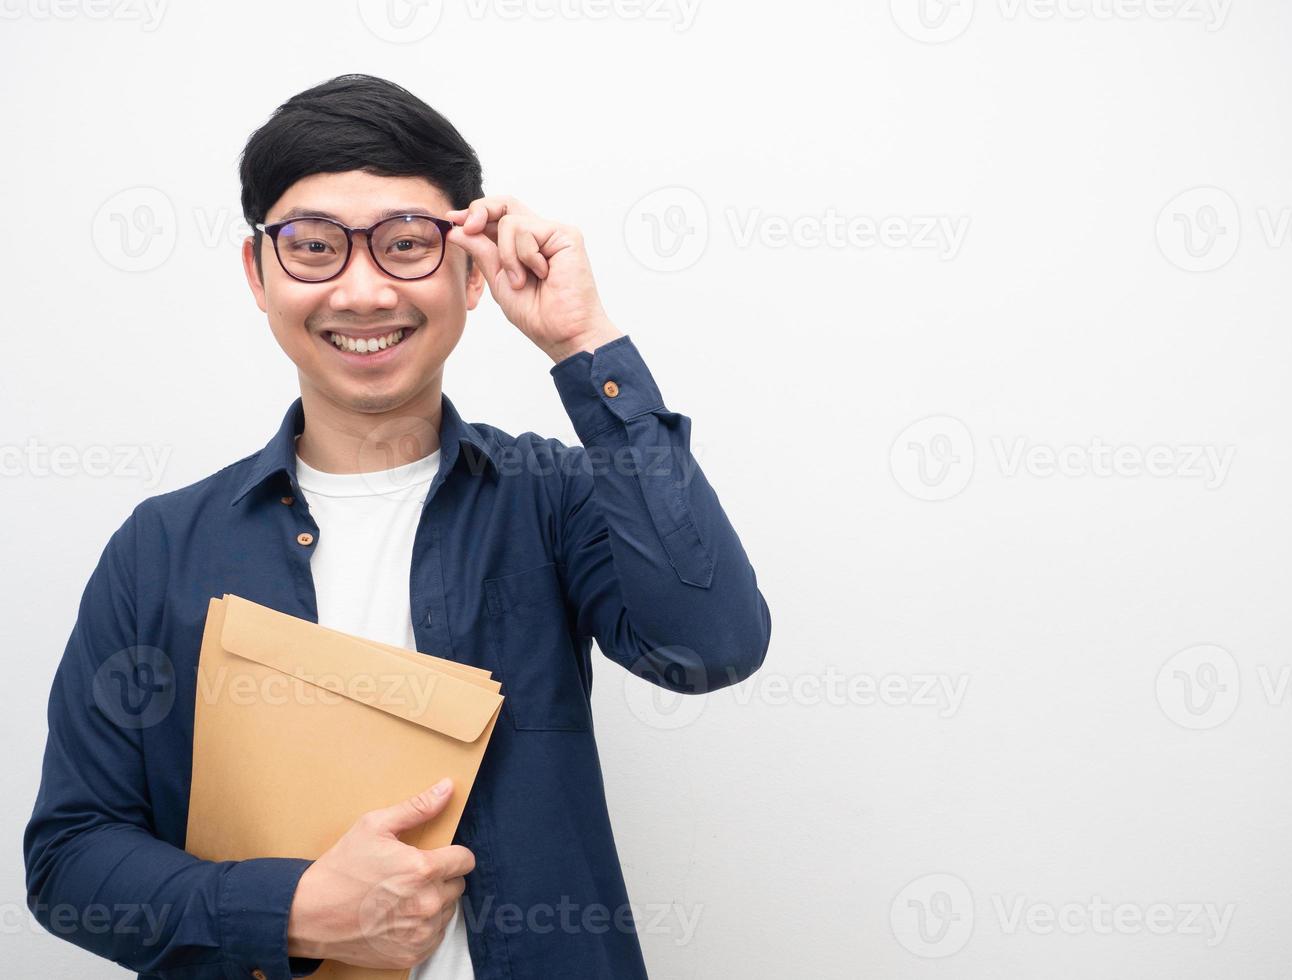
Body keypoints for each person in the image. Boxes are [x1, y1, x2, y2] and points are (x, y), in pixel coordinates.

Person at [23, 73, 771, 980]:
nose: (364, 291)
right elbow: (71, 859)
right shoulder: (160, 548)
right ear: (257, 275)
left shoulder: (554, 497)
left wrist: (585, 346)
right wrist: (293, 910)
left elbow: (710, 644)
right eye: (313, 248)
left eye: (408, 244)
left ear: (470, 273)